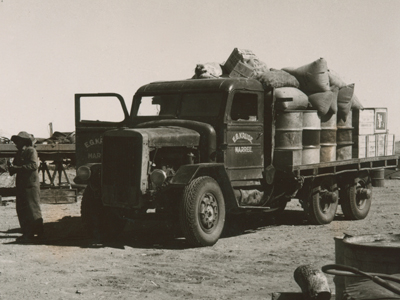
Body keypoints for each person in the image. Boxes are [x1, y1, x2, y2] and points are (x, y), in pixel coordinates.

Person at [9, 131, 44, 243]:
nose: (15, 143)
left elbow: (34, 165)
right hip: (21, 185)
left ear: (23, 141)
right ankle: (27, 234)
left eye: (17, 141)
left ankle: (40, 234)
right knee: (22, 210)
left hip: (30, 185)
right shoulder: (19, 152)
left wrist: (17, 168)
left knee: (33, 210)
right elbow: (14, 167)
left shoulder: (31, 151)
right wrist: (10, 167)